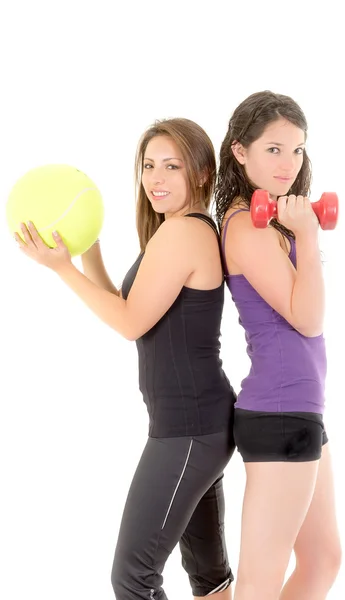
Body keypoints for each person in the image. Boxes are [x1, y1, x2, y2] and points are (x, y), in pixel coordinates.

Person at [15, 118, 236, 600]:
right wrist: (88, 251)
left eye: (171, 166)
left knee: (133, 576)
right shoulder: (180, 231)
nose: (155, 178)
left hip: (189, 430)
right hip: (199, 423)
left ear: (200, 173)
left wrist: (60, 270)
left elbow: (129, 323)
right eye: (149, 165)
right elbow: (126, 303)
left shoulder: (183, 233)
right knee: (210, 577)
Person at [214, 91, 342, 600]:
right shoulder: (247, 226)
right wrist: (307, 237)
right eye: (273, 149)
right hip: (280, 411)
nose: (289, 164)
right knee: (258, 584)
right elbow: (308, 319)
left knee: (323, 559)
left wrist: (300, 234)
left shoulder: (272, 225)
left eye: (297, 150)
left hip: (301, 411)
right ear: (240, 152)